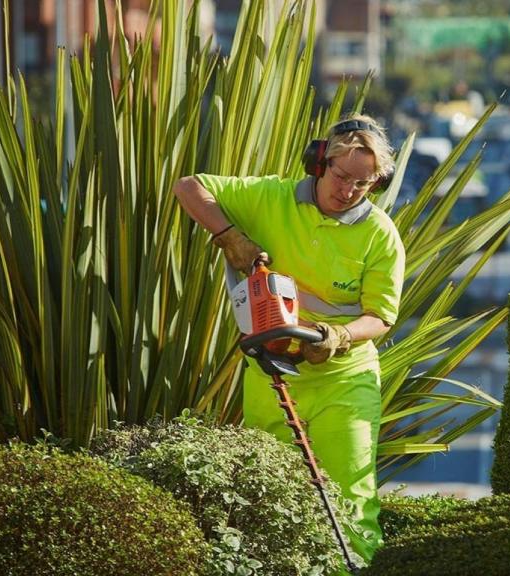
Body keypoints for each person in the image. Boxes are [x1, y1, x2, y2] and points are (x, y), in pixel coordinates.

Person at [173, 114, 404, 567]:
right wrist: (229, 237)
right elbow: (188, 186)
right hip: (272, 372)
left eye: (364, 184)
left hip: (345, 379)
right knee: (269, 490)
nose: (349, 191)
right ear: (320, 162)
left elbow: (381, 317)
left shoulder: (380, 236)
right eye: (342, 177)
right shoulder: (270, 197)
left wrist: (337, 335)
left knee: (351, 494)